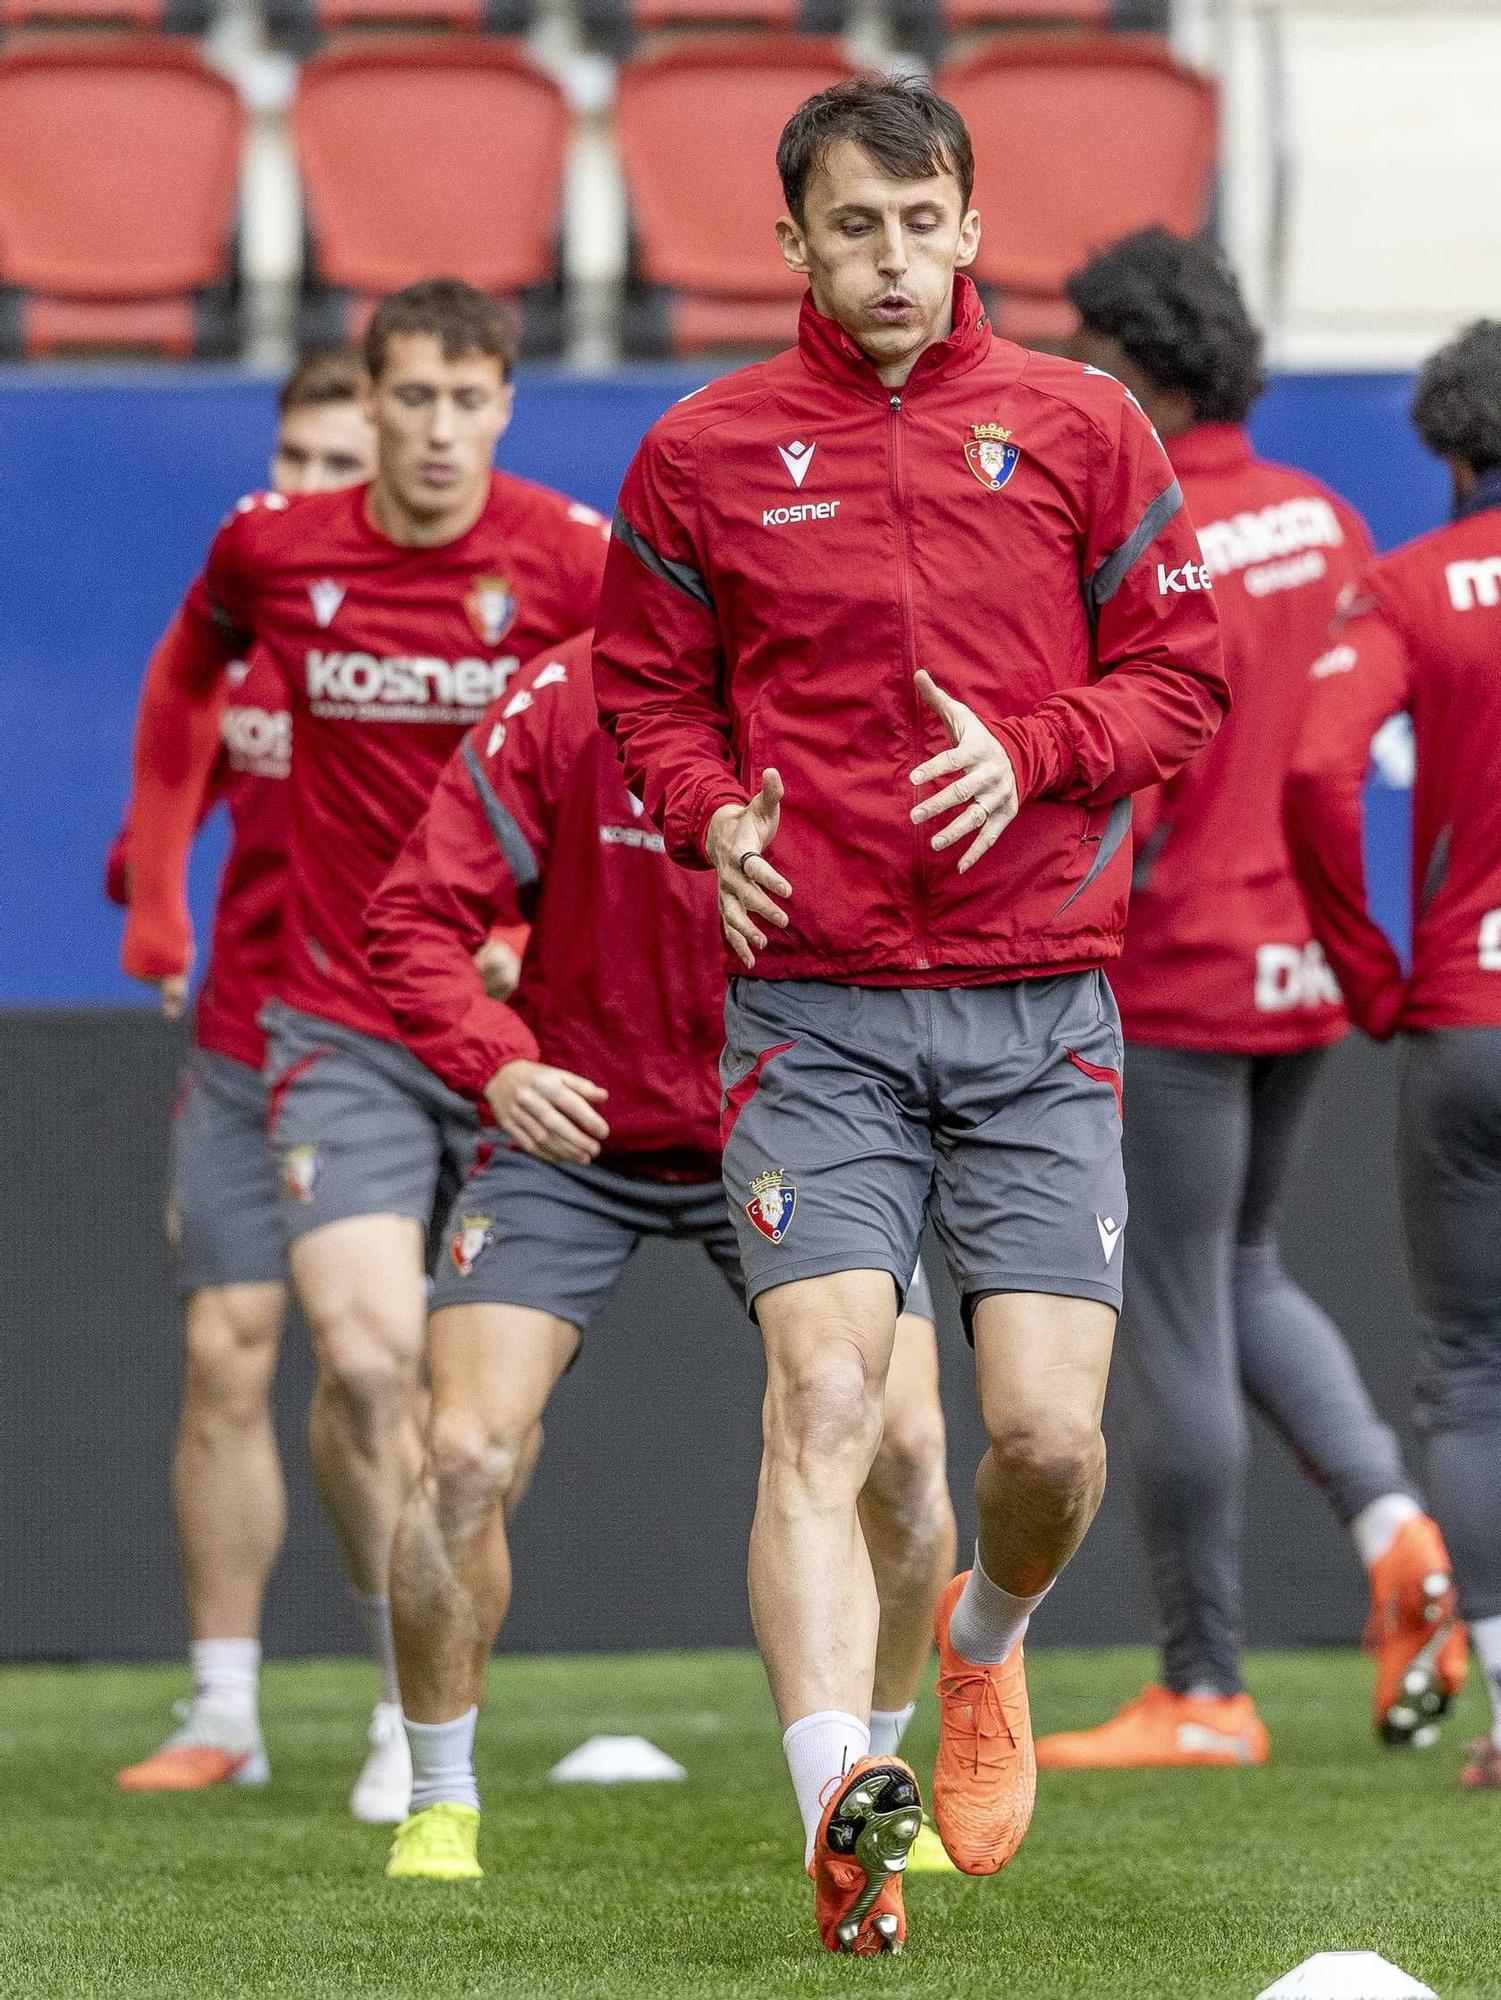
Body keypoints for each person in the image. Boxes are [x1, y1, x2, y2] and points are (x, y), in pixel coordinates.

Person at [591, 79, 1228, 1954]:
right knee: (829, 1405)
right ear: (790, 240)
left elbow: (1180, 679)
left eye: (920, 220)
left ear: (970, 226)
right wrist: (709, 813)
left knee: (1042, 1448)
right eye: (850, 225)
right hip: (817, 1015)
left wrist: (1030, 755)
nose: (889, 257)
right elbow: (646, 694)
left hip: (1042, 1009)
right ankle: (835, 1810)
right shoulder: (703, 450)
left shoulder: (1085, 426)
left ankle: (981, 1647)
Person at [119, 279, 609, 1822]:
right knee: (366, 1355)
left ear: (505, 405)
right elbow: (182, 683)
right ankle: (367, 1685)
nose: (438, 431)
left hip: (509, 1029)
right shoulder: (271, 551)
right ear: (372, 398)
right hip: (328, 1015)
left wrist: (548, 929)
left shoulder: (568, 560)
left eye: (469, 400)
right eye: (413, 399)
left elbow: (643, 730)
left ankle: (428, 1658)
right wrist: (153, 888)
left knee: (474, 1429)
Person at [360, 628, 957, 1880]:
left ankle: (880, 1779)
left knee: (904, 1452)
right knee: (463, 1453)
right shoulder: (569, 695)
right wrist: (496, 1057)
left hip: (801, 1119)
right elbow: (414, 911)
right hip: (571, 1128)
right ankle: (438, 1794)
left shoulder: (863, 678)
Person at [1032, 230, 1463, 1772]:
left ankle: (1204, 1688)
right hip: (1306, 969)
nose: (1073, 374)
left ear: (1140, 362)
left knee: (1167, 1315)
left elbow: (1125, 773)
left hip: (1175, 971)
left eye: (1088, 350)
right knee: (1240, 1268)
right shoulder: (1323, 514)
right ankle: (1396, 1522)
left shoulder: (1140, 537)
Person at [112, 351, 375, 1795]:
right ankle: (225, 1711)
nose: (318, 491)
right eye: (302, 459)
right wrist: (149, 890)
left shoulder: (435, 627)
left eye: (348, 461)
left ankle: (415, 1692)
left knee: (380, 1381)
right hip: (243, 1035)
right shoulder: (252, 606)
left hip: (404, 1047)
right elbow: (177, 759)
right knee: (225, 1352)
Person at [1285, 320, 1501, 1792]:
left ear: (1447, 448)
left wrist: (1370, 965)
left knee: (1475, 1373)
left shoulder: (1414, 586)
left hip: (1468, 1017)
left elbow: (1314, 764)